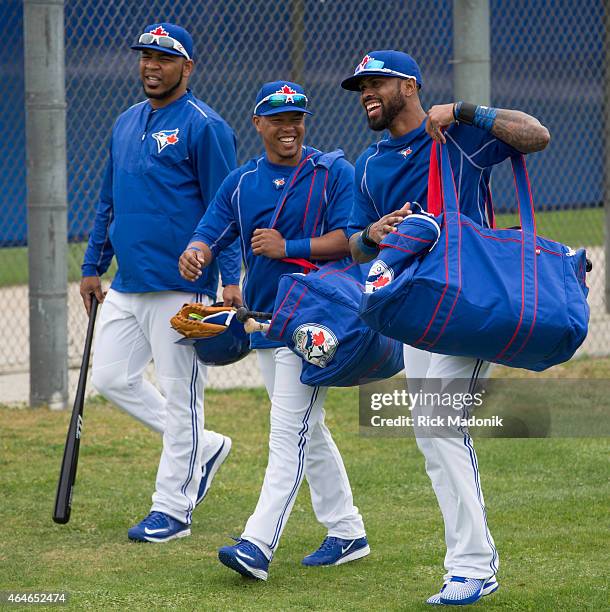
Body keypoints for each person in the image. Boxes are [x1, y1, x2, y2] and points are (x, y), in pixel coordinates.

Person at [341, 50, 550, 606]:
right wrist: (374, 234)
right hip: (417, 314)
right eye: (360, 85)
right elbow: (358, 246)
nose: (366, 91)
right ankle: (469, 562)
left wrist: (465, 109)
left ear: (408, 86)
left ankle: (473, 566)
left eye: (376, 82)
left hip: (472, 304)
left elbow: (536, 136)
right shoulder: (369, 164)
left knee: (440, 426)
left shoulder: (457, 138)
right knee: (431, 438)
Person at [178, 81, 369, 581]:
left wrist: (290, 247)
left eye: (297, 117)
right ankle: (347, 530)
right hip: (266, 321)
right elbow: (211, 229)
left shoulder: (332, 172)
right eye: (279, 118)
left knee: (287, 434)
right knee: (309, 428)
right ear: (258, 124)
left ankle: (257, 544)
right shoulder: (243, 182)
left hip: (315, 320)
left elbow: (354, 242)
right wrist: (197, 251)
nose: (290, 127)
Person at [79, 23, 242, 543]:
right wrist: (91, 266)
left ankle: (172, 510)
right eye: (146, 56)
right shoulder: (125, 122)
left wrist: (232, 280)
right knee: (110, 378)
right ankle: (207, 446)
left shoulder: (205, 126)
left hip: (183, 286)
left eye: (164, 58)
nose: (152, 65)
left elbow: (229, 209)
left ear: (187, 67)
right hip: (127, 284)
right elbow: (108, 201)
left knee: (181, 398)